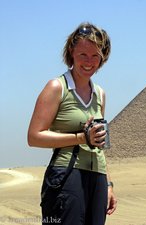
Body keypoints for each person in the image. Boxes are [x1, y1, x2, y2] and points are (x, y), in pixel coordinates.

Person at [27, 22, 117, 225]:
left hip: (97, 178)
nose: (89, 62)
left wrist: (108, 184)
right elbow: (33, 137)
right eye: (83, 55)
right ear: (71, 51)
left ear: (103, 57)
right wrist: (80, 138)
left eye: (95, 56)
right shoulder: (57, 87)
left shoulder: (100, 94)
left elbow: (99, 146)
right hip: (66, 176)